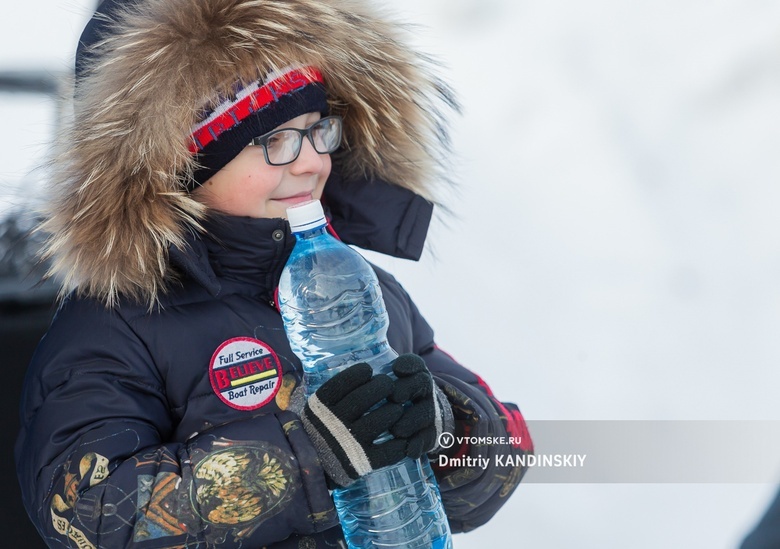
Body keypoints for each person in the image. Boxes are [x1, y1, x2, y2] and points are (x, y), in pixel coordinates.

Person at [14, 0, 534, 547]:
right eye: (277, 141)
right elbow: (88, 516)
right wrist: (313, 455)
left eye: (317, 130)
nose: (312, 161)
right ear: (182, 165)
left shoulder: (360, 286)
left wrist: (448, 427)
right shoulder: (117, 325)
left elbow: (508, 452)